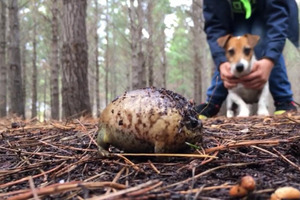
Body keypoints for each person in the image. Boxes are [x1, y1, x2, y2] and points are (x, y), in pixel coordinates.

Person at [196, 0, 299, 118]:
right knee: (236, 42)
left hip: (270, 12)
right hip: (234, 17)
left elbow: (277, 18)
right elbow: (214, 25)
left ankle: (284, 100)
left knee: (261, 34)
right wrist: (221, 62)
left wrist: (269, 60)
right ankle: (213, 101)